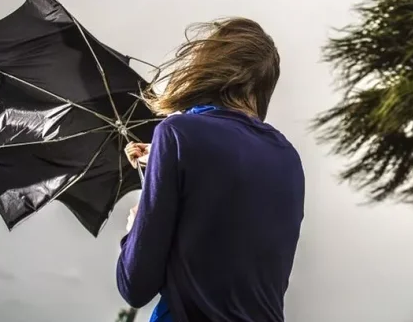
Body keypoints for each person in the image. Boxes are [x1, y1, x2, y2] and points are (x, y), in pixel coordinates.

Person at [117, 18, 305, 322]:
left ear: (209, 66)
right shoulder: (288, 157)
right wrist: (165, 160)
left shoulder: (178, 133)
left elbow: (135, 286)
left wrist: (135, 228)